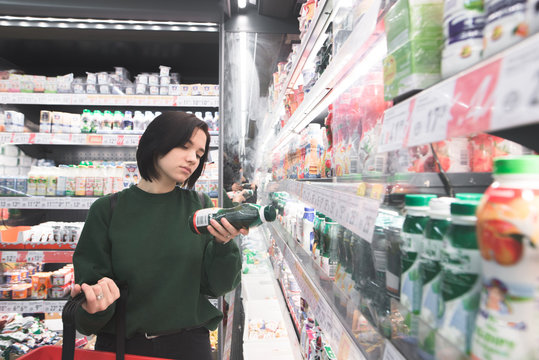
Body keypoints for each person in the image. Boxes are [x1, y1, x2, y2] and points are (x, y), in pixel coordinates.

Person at [71, 111, 246, 360]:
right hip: (124, 347)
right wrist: (92, 305)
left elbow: (217, 286)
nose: (192, 159)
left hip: (189, 347)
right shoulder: (107, 210)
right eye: (184, 146)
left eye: (199, 153)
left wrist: (223, 244)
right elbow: (87, 313)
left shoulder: (200, 206)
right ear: (155, 142)